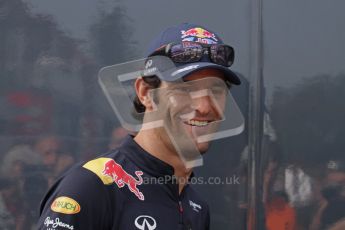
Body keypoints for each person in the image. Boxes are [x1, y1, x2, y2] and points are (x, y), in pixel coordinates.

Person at [37, 23, 242, 230]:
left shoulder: (196, 206)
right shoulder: (91, 187)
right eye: (185, 89)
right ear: (145, 93)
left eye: (216, 91)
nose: (205, 106)